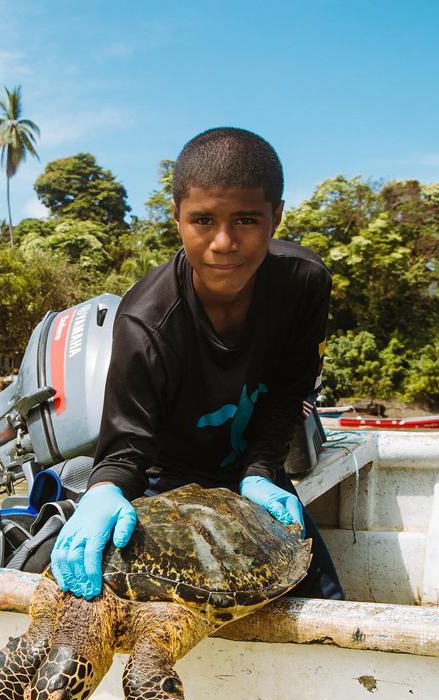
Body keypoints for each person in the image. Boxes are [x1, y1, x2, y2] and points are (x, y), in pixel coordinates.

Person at [51, 127, 343, 603]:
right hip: (164, 479)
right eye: (203, 220)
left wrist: (262, 472)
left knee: (325, 602)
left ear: (277, 216)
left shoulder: (304, 284)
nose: (223, 242)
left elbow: (290, 394)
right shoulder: (143, 323)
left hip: (256, 474)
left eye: (247, 220)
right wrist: (103, 491)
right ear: (177, 218)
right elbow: (126, 449)